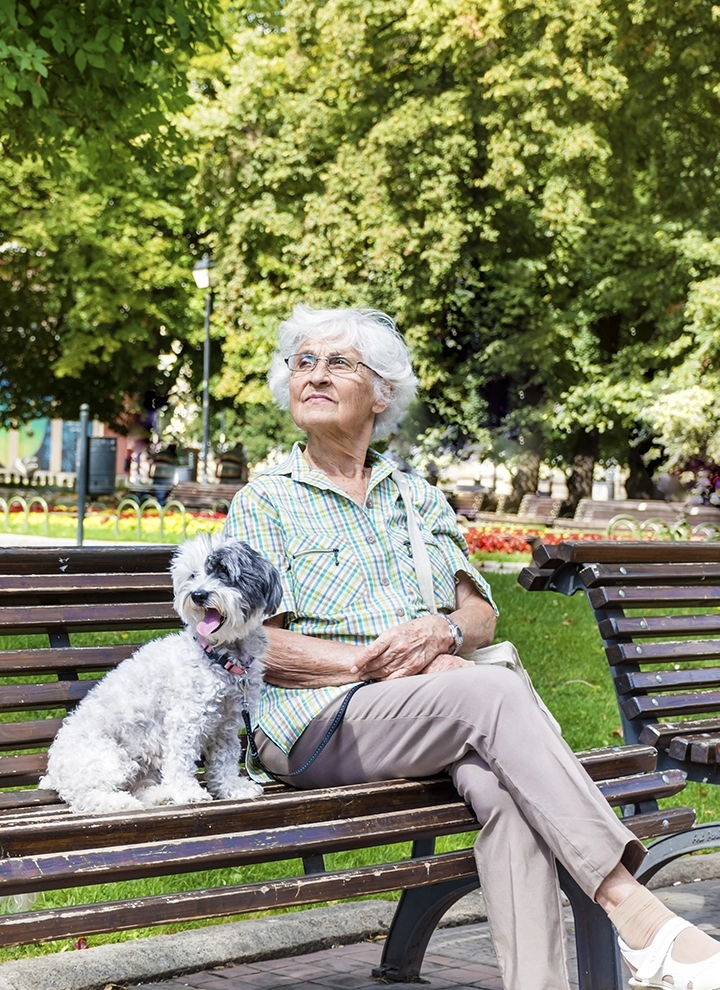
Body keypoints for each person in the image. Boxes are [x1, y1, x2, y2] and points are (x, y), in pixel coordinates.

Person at [225, 305, 720, 990]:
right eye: (302, 362)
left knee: (509, 795)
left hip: (434, 713)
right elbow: (252, 641)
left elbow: (479, 614)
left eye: (338, 362)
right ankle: (635, 912)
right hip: (315, 723)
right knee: (491, 693)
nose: (314, 375)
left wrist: (444, 634)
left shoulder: (416, 498)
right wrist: (379, 667)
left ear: (382, 392)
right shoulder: (265, 502)